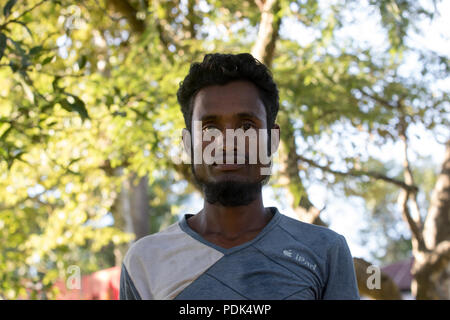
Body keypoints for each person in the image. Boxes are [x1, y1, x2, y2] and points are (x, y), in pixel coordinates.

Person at [120, 53, 360, 300]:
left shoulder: (324, 251)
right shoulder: (145, 260)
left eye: (247, 126)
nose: (227, 144)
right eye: (210, 128)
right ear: (188, 143)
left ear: (273, 139)